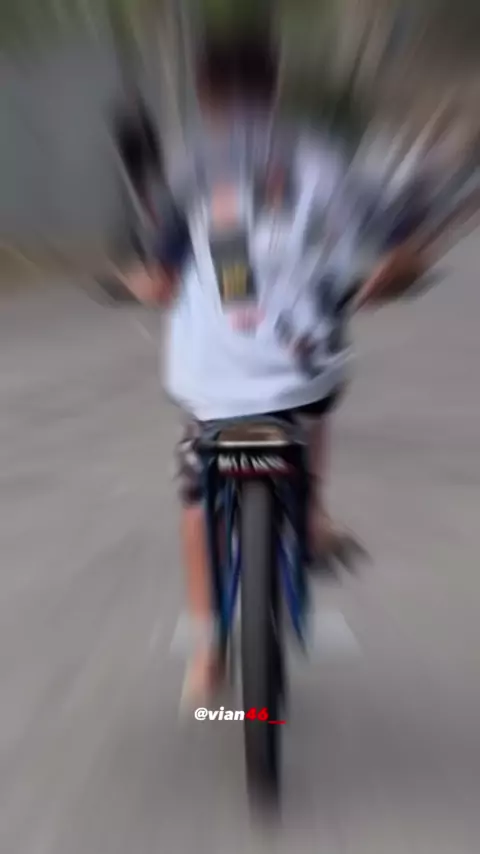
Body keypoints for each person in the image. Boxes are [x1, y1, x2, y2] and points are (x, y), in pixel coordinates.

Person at [125, 33, 429, 702]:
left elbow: (161, 277)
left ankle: (208, 650)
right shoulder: (324, 157)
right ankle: (311, 514)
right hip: (304, 366)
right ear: (275, 87)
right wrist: (386, 279)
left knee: (199, 490)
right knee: (315, 387)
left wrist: (140, 285)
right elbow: (402, 246)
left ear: (203, 94)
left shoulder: (187, 165)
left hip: (212, 377)